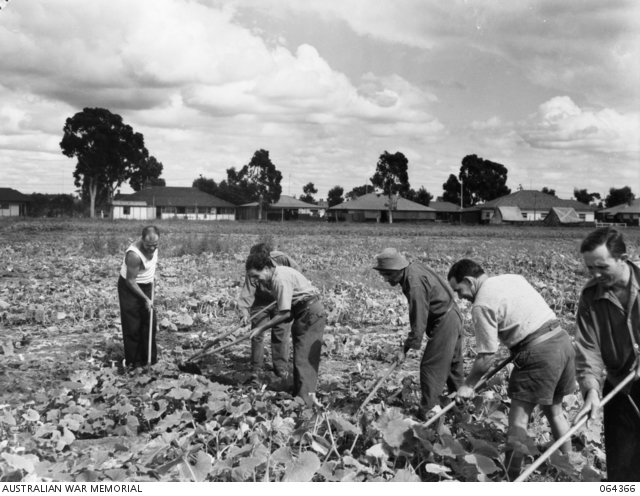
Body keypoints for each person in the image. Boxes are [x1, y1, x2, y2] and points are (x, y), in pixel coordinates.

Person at [447, 259, 575, 481]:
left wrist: (467, 385)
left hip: (539, 353)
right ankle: (571, 468)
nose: (460, 297)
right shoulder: (512, 278)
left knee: (518, 422)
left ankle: (510, 478)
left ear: (469, 281)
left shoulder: (482, 304)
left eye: (459, 290)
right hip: (562, 342)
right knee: (555, 412)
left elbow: (487, 354)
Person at [574, 227, 640, 482]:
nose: (595, 274)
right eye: (590, 268)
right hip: (619, 386)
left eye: (602, 266)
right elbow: (588, 348)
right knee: (622, 469)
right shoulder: (591, 296)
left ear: (622, 258)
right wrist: (591, 390)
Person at [373, 248, 464, 421]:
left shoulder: (414, 284)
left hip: (445, 320)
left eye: (387, 275)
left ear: (397, 270)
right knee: (453, 369)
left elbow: (419, 319)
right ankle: (461, 413)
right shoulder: (413, 269)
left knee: (431, 367)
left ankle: (428, 415)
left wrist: (405, 348)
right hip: (453, 315)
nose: (385, 279)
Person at [245, 250, 325, 407]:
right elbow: (287, 310)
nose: (255, 280)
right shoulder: (276, 276)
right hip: (303, 313)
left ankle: (305, 404)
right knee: (299, 357)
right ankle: (299, 397)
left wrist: (261, 329)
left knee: (304, 359)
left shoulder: (280, 279)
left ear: (267, 269)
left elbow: (284, 313)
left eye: (256, 276)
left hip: (309, 313)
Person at [237, 243, 299, 379]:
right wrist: (244, 312)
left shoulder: (282, 259)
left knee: (281, 333)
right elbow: (248, 290)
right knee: (257, 333)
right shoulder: (253, 267)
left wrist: (288, 293)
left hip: (280, 300)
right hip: (261, 301)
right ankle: (256, 367)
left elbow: (296, 273)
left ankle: (281, 368)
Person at [117, 226, 159, 369]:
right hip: (130, 288)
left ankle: (150, 360)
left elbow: (151, 266)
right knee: (133, 325)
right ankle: (133, 364)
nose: (152, 249)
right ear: (142, 240)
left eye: (155, 245)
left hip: (146, 286)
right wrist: (146, 299)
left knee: (149, 324)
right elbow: (130, 281)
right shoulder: (134, 255)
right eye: (149, 246)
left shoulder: (153, 246)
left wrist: (152, 282)